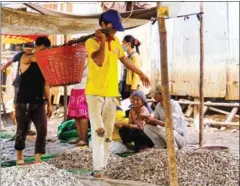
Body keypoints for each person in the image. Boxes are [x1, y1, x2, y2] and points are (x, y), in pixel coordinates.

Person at [85, 9, 151, 177]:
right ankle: (98, 167)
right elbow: (99, 61)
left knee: (107, 134)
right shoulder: (91, 42)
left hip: (111, 93)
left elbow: (125, 61)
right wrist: (101, 40)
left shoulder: (115, 42)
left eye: (115, 28)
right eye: (112, 27)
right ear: (103, 25)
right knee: (98, 130)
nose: (114, 31)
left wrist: (141, 73)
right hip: (94, 92)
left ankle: (101, 167)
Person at [15, 37, 52, 165]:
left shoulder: (44, 65)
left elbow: (46, 86)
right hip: (23, 102)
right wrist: (44, 52)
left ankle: (38, 159)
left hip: (39, 102)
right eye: (44, 49)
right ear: (39, 47)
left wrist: (49, 104)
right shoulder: (26, 57)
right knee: (21, 131)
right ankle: (19, 156)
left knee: (42, 130)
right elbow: (35, 58)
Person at [1, 42, 36, 135]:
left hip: (31, 86)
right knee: (19, 106)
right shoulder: (19, 55)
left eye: (30, 50)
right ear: (24, 48)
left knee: (29, 107)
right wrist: (2, 69)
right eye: (26, 49)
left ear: (33, 49)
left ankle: (27, 128)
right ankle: (19, 129)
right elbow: (10, 62)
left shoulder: (35, 56)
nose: (28, 51)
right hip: (19, 84)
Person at [142, 86, 188, 150]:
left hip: (179, 137)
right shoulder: (158, 105)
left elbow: (170, 125)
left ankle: (174, 148)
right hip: (168, 135)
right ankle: (161, 146)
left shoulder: (174, 105)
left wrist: (154, 120)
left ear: (162, 94)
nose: (153, 96)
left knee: (165, 128)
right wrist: (147, 119)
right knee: (147, 127)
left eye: (155, 94)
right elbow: (155, 122)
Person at [67, 61, 89, 147]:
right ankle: (80, 137)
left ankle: (84, 139)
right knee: (75, 115)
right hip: (75, 88)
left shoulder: (90, 61)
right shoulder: (76, 60)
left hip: (84, 88)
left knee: (83, 115)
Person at [120, 35, 142, 100]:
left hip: (130, 88)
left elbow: (136, 75)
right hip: (125, 87)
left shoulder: (135, 56)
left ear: (128, 44)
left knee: (129, 107)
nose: (121, 45)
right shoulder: (127, 57)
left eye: (123, 43)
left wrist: (133, 90)